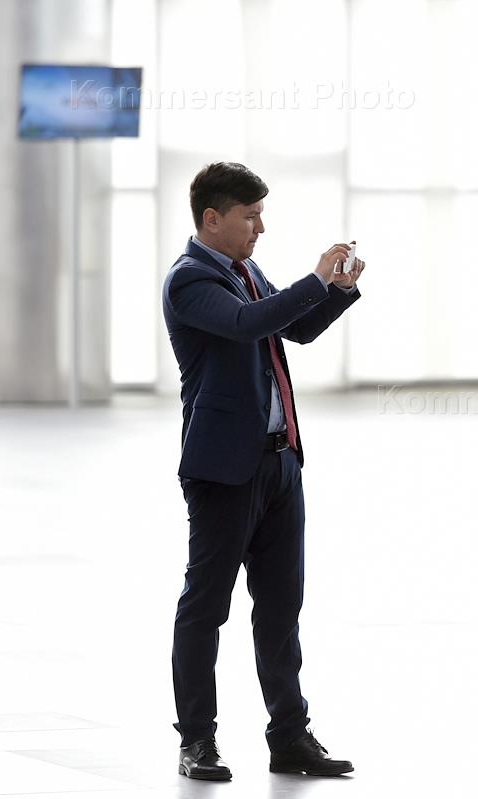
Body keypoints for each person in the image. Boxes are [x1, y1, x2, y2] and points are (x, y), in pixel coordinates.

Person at [161, 162, 364, 780]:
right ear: (211, 219)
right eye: (250, 217)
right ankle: (197, 740)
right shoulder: (190, 280)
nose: (260, 228)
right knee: (206, 607)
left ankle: (290, 736)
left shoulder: (245, 270)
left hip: (279, 463)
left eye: (261, 215)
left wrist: (337, 291)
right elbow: (247, 323)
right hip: (224, 470)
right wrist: (313, 278)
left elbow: (292, 327)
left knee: (280, 608)